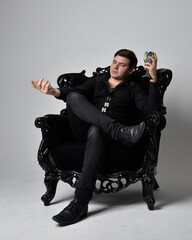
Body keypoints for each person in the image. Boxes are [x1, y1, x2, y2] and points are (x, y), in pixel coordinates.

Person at [31, 49, 160, 225]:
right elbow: (71, 93)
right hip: (82, 130)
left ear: (130, 70)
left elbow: (151, 111)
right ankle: (119, 131)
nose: (115, 67)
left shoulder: (133, 88)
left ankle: (80, 203)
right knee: (75, 96)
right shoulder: (97, 81)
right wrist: (54, 91)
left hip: (102, 136)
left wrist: (153, 78)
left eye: (121, 65)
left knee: (97, 129)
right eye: (114, 62)